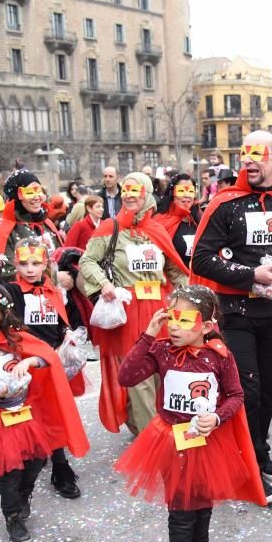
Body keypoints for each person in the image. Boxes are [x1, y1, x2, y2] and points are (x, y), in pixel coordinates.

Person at [114, 285, 266, 542]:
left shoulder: (219, 356)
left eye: (185, 319)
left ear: (207, 325)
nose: (175, 326)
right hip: (171, 441)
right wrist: (147, 335)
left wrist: (217, 416)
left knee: (204, 500)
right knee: (180, 513)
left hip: (208, 442)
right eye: (171, 317)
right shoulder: (161, 351)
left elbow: (236, 396)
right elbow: (126, 376)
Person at [190, 130, 272, 505]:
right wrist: (249, 276)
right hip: (235, 312)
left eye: (257, 155)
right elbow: (200, 259)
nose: (248, 161)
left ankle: (260, 452)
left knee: (271, 386)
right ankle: (244, 464)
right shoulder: (226, 205)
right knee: (249, 391)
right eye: (244, 154)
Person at [0, 282, 89, 542]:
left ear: (3, 314)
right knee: (9, 471)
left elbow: (47, 357)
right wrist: (0, 395)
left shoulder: (17, 339)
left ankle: (24, 493)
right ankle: (13, 516)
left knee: (38, 460)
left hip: (25, 414)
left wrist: (30, 360)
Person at [79, 171, 189, 435]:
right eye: (125, 191)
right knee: (139, 375)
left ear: (147, 194)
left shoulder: (157, 229)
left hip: (160, 309)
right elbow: (87, 261)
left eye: (135, 191)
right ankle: (151, 437)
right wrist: (104, 284)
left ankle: (160, 425)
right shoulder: (109, 228)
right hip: (127, 309)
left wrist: (193, 298)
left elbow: (175, 270)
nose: (129, 195)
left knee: (164, 370)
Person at [0, 238, 85, 499]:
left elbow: (65, 319)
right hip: (24, 362)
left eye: (35, 263)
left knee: (54, 415)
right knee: (32, 416)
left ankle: (60, 467)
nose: (30, 269)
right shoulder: (13, 291)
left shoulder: (53, 290)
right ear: (15, 264)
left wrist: (68, 335)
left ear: (45, 264)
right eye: (23, 263)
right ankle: (33, 465)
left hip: (50, 362)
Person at [0, 170, 67, 284]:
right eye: (29, 192)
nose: (36, 197)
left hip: (59, 296)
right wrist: (54, 277)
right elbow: (6, 274)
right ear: (16, 196)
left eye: (38, 190)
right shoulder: (1, 228)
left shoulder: (47, 223)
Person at [153, 174, 201, 269]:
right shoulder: (159, 221)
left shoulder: (199, 218)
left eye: (190, 191)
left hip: (199, 278)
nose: (186, 195)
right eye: (181, 190)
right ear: (172, 193)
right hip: (174, 279)